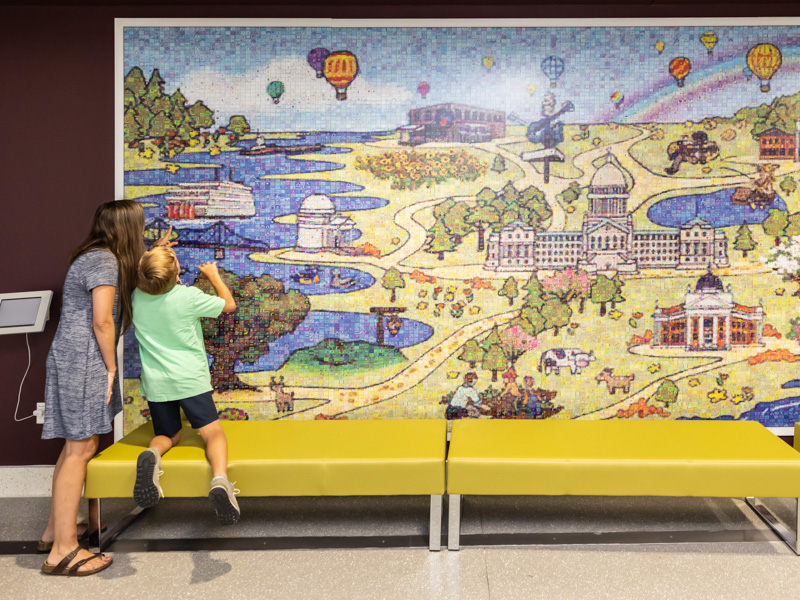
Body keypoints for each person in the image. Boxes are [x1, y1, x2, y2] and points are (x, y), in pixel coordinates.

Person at [39, 200, 170, 576]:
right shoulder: (103, 262)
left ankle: (54, 531)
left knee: (76, 448)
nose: (143, 232)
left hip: (74, 359)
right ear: (128, 228)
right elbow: (101, 321)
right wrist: (111, 366)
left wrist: (156, 252)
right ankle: (63, 551)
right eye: (141, 227)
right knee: (81, 449)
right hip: (84, 362)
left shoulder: (99, 256)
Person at [131, 246, 240, 525]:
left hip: (157, 382)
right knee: (212, 432)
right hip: (190, 379)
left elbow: (150, 268)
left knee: (169, 435)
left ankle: (152, 454)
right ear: (177, 273)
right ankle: (220, 481)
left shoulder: (137, 296)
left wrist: (159, 250)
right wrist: (213, 276)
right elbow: (228, 305)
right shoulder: (188, 296)